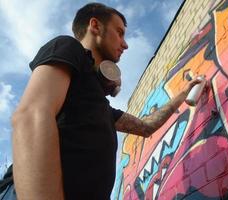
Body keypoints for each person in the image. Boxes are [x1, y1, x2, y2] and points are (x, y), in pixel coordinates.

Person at [11, 3, 206, 200]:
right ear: (95, 26)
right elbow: (31, 116)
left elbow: (147, 126)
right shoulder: (68, 47)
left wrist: (183, 94)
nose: (125, 44)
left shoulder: (101, 108)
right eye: (119, 33)